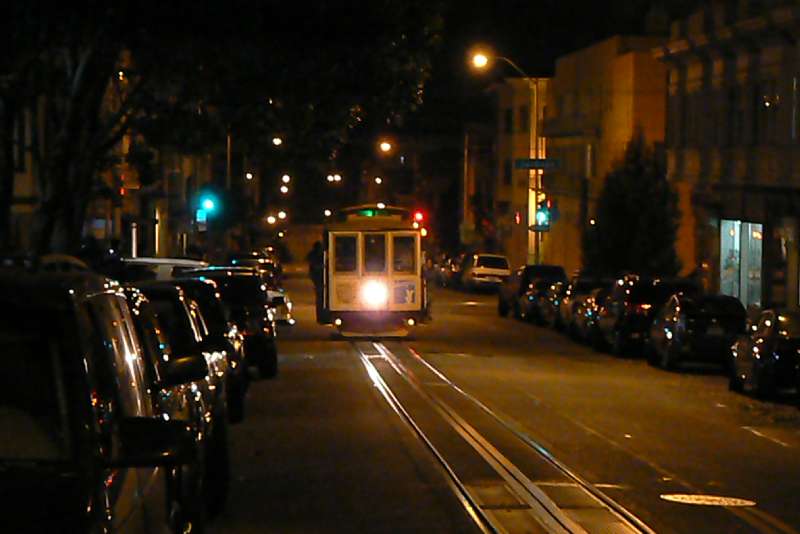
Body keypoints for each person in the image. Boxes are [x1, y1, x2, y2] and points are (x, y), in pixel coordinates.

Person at [306, 241, 324, 320]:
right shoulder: (316, 254)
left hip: (318, 275)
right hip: (317, 275)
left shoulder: (319, 254)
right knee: (319, 293)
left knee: (319, 293)